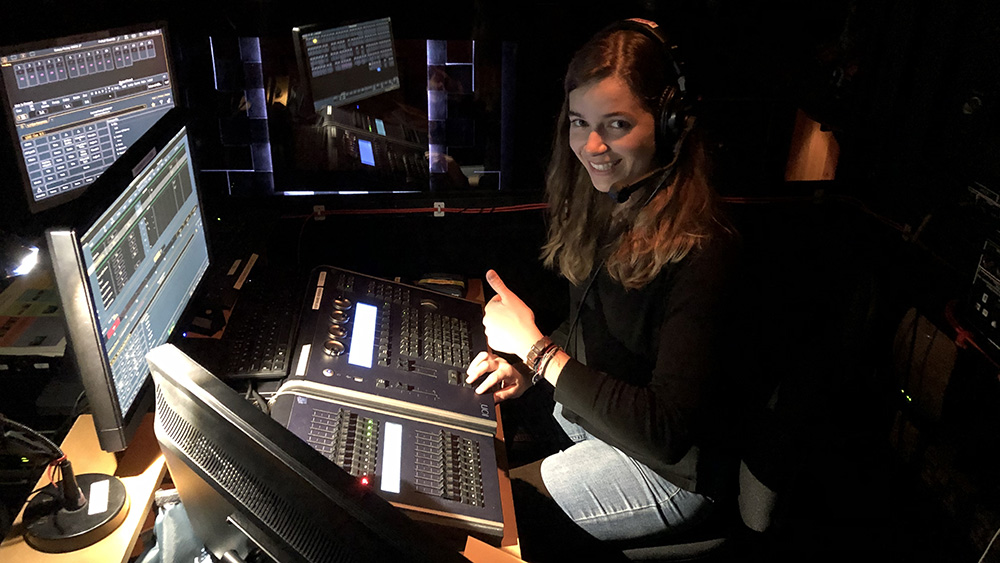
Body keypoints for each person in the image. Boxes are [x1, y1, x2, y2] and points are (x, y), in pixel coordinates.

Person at [465, 18, 741, 553]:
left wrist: (537, 351)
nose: (591, 145)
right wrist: (524, 369)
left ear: (669, 125)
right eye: (578, 122)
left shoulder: (706, 250)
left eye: (616, 124)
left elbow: (667, 430)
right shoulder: (612, 203)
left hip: (673, 472)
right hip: (609, 424)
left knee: (492, 519)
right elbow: (596, 325)